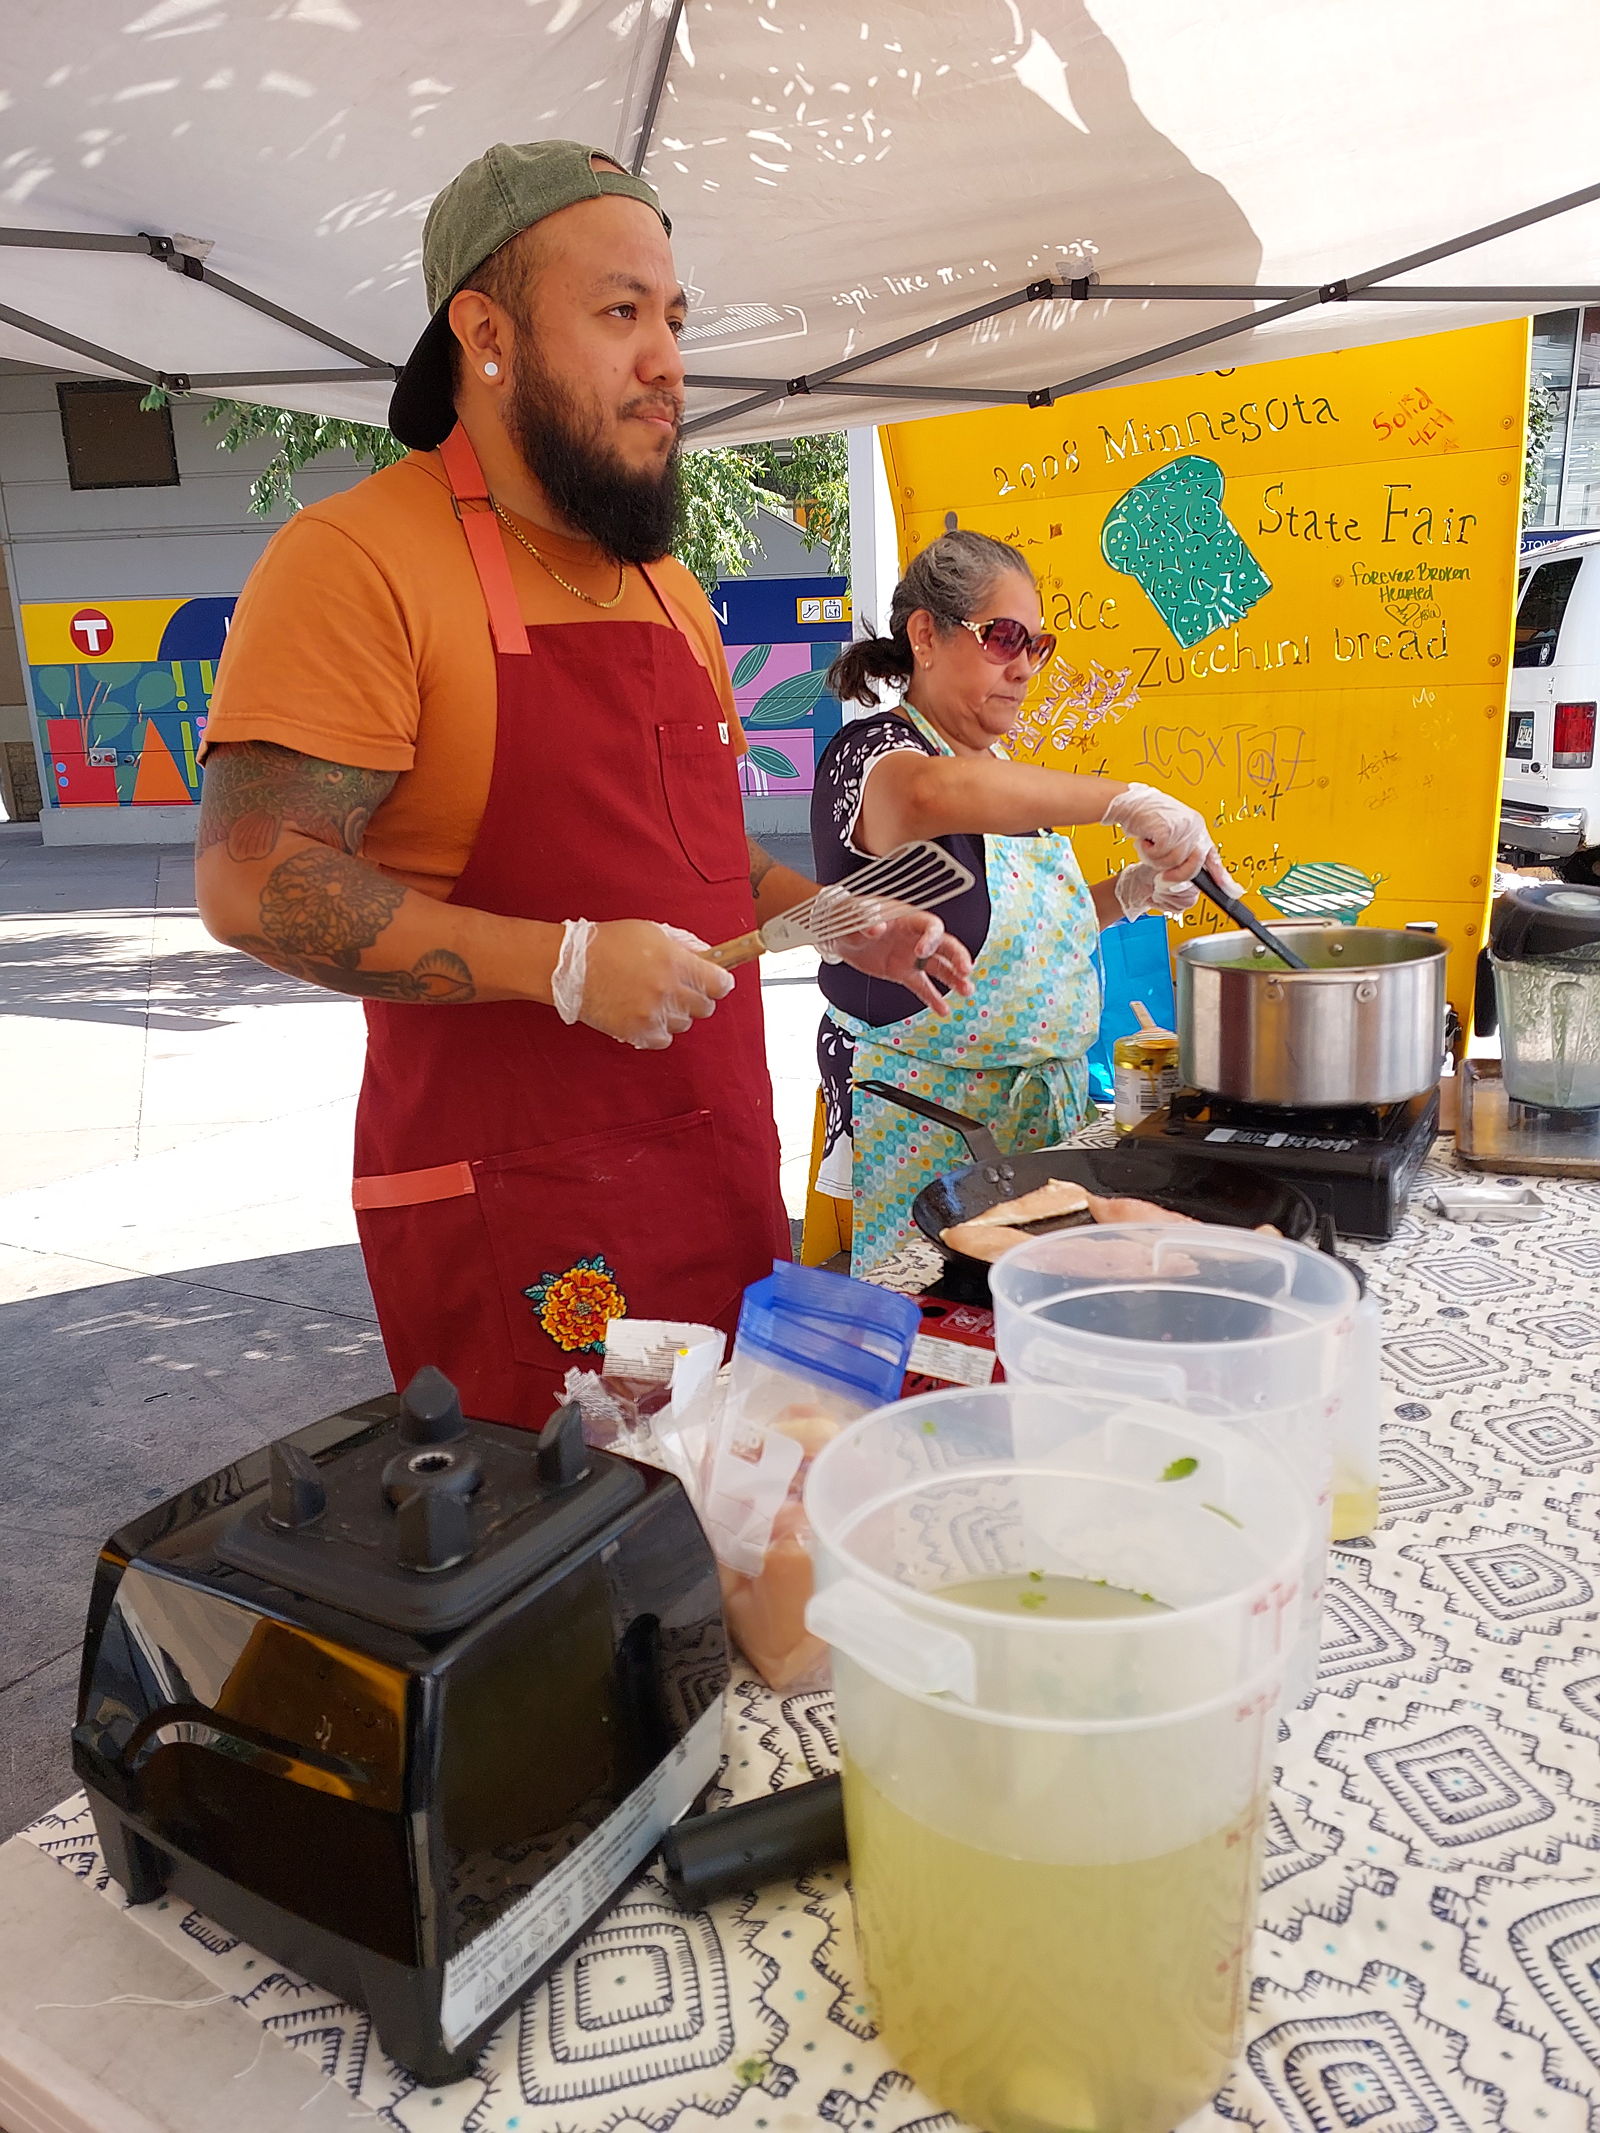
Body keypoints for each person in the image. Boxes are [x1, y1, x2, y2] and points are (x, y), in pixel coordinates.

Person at [194, 139, 972, 1426]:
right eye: (620, 313)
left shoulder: (664, 584)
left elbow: (704, 863)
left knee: (728, 1521)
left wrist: (843, 920)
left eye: (674, 318)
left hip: (715, 1176)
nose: (667, 360)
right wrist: (561, 966)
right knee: (566, 1544)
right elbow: (252, 883)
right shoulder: (354, 561)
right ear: (486, 336)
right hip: (520, 1216)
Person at [812, 529, 1233, 1272]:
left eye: (1037, 646)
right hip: (934, 1129)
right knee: (948, 1312)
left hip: (1042, 1123)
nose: (1024, 667)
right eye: (1004, 638)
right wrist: (1125, 800)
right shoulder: (873, 757)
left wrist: (1131, 893)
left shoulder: (1000, 771)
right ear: (926, 635)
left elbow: (1028, 937)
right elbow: (929, 794)